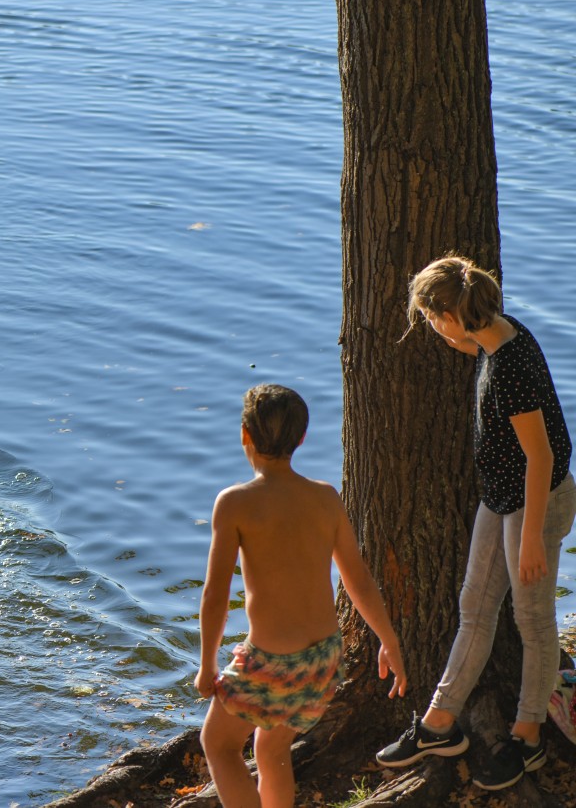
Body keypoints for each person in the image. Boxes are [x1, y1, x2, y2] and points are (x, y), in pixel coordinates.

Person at [376, 255, 575, 790]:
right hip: (503, 495)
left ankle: (528, 735)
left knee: (531, 619)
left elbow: (541, 458)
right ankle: (439, 724)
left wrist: (531, 536)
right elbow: (475, 347)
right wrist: (459, 340)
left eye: (431, 317)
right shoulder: (499, 336)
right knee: (475, 608)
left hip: (537, 499)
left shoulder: (508, 369)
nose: (431, 328)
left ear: (452, 314)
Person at [196, 384, 406, 808]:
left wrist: (206, 666)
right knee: (271, 751)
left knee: (217, 745)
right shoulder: (325, 498)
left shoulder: (234, 503)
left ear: (244, 436)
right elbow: (358, 579)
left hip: (272, 663)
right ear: (303, 439)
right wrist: (389, 640)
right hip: (323, 660)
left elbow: (216, 594)